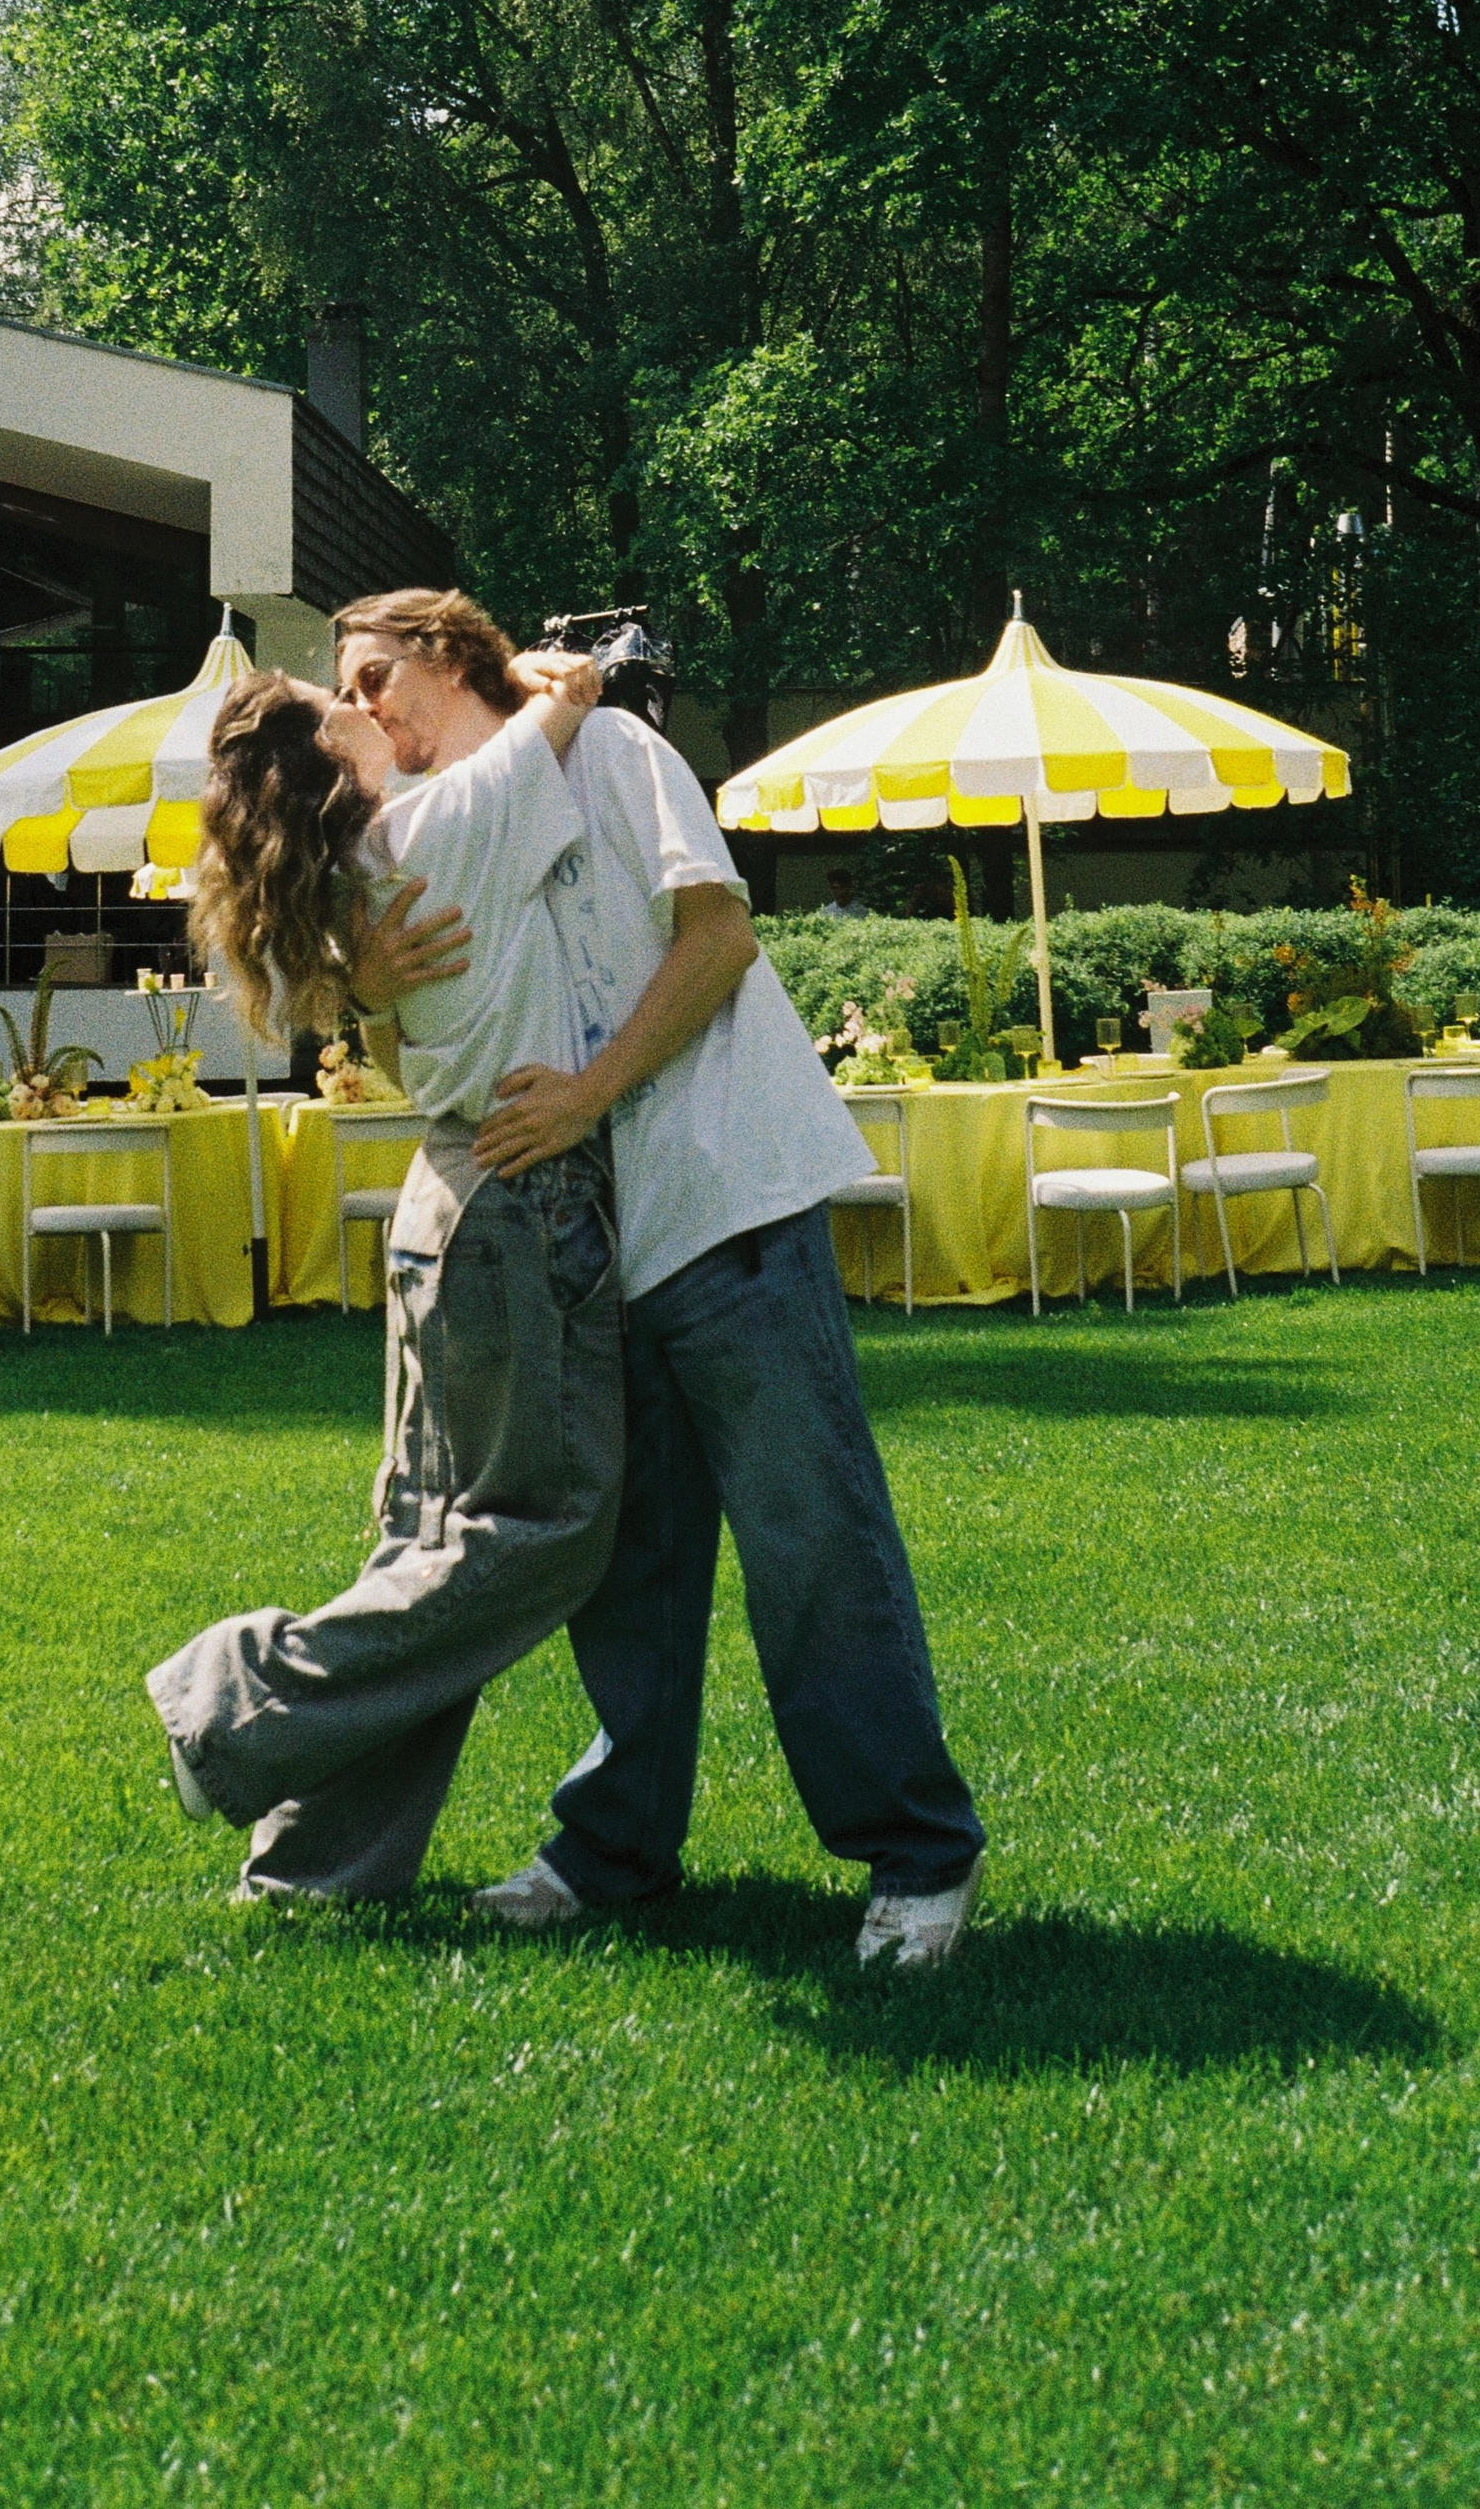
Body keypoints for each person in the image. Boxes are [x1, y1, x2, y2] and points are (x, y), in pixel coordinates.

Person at [340, 586, 986, 1973]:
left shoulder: (617, 757)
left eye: (375, 674)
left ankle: (919, 1853)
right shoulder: (431, 838)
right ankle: (618, 1849)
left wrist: (586, 1097)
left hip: (721, 1201)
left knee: (810, 1537)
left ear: (453, 657)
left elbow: (717, 941)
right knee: (621, 1566)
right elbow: (431, 1074)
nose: (361, 710)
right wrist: (369, 989)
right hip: (578, 1260)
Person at [148, 633, 623, 1908]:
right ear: (326, 759)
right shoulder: (440, 823)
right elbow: (566, 702)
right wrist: (549, 674)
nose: (367, 703)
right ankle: (237, 1702)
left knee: (421, 1545)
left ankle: (317, 1866)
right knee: (548, 1531)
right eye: (339, 699)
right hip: (518, 1201)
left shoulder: (369, 861)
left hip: (442, 1199)